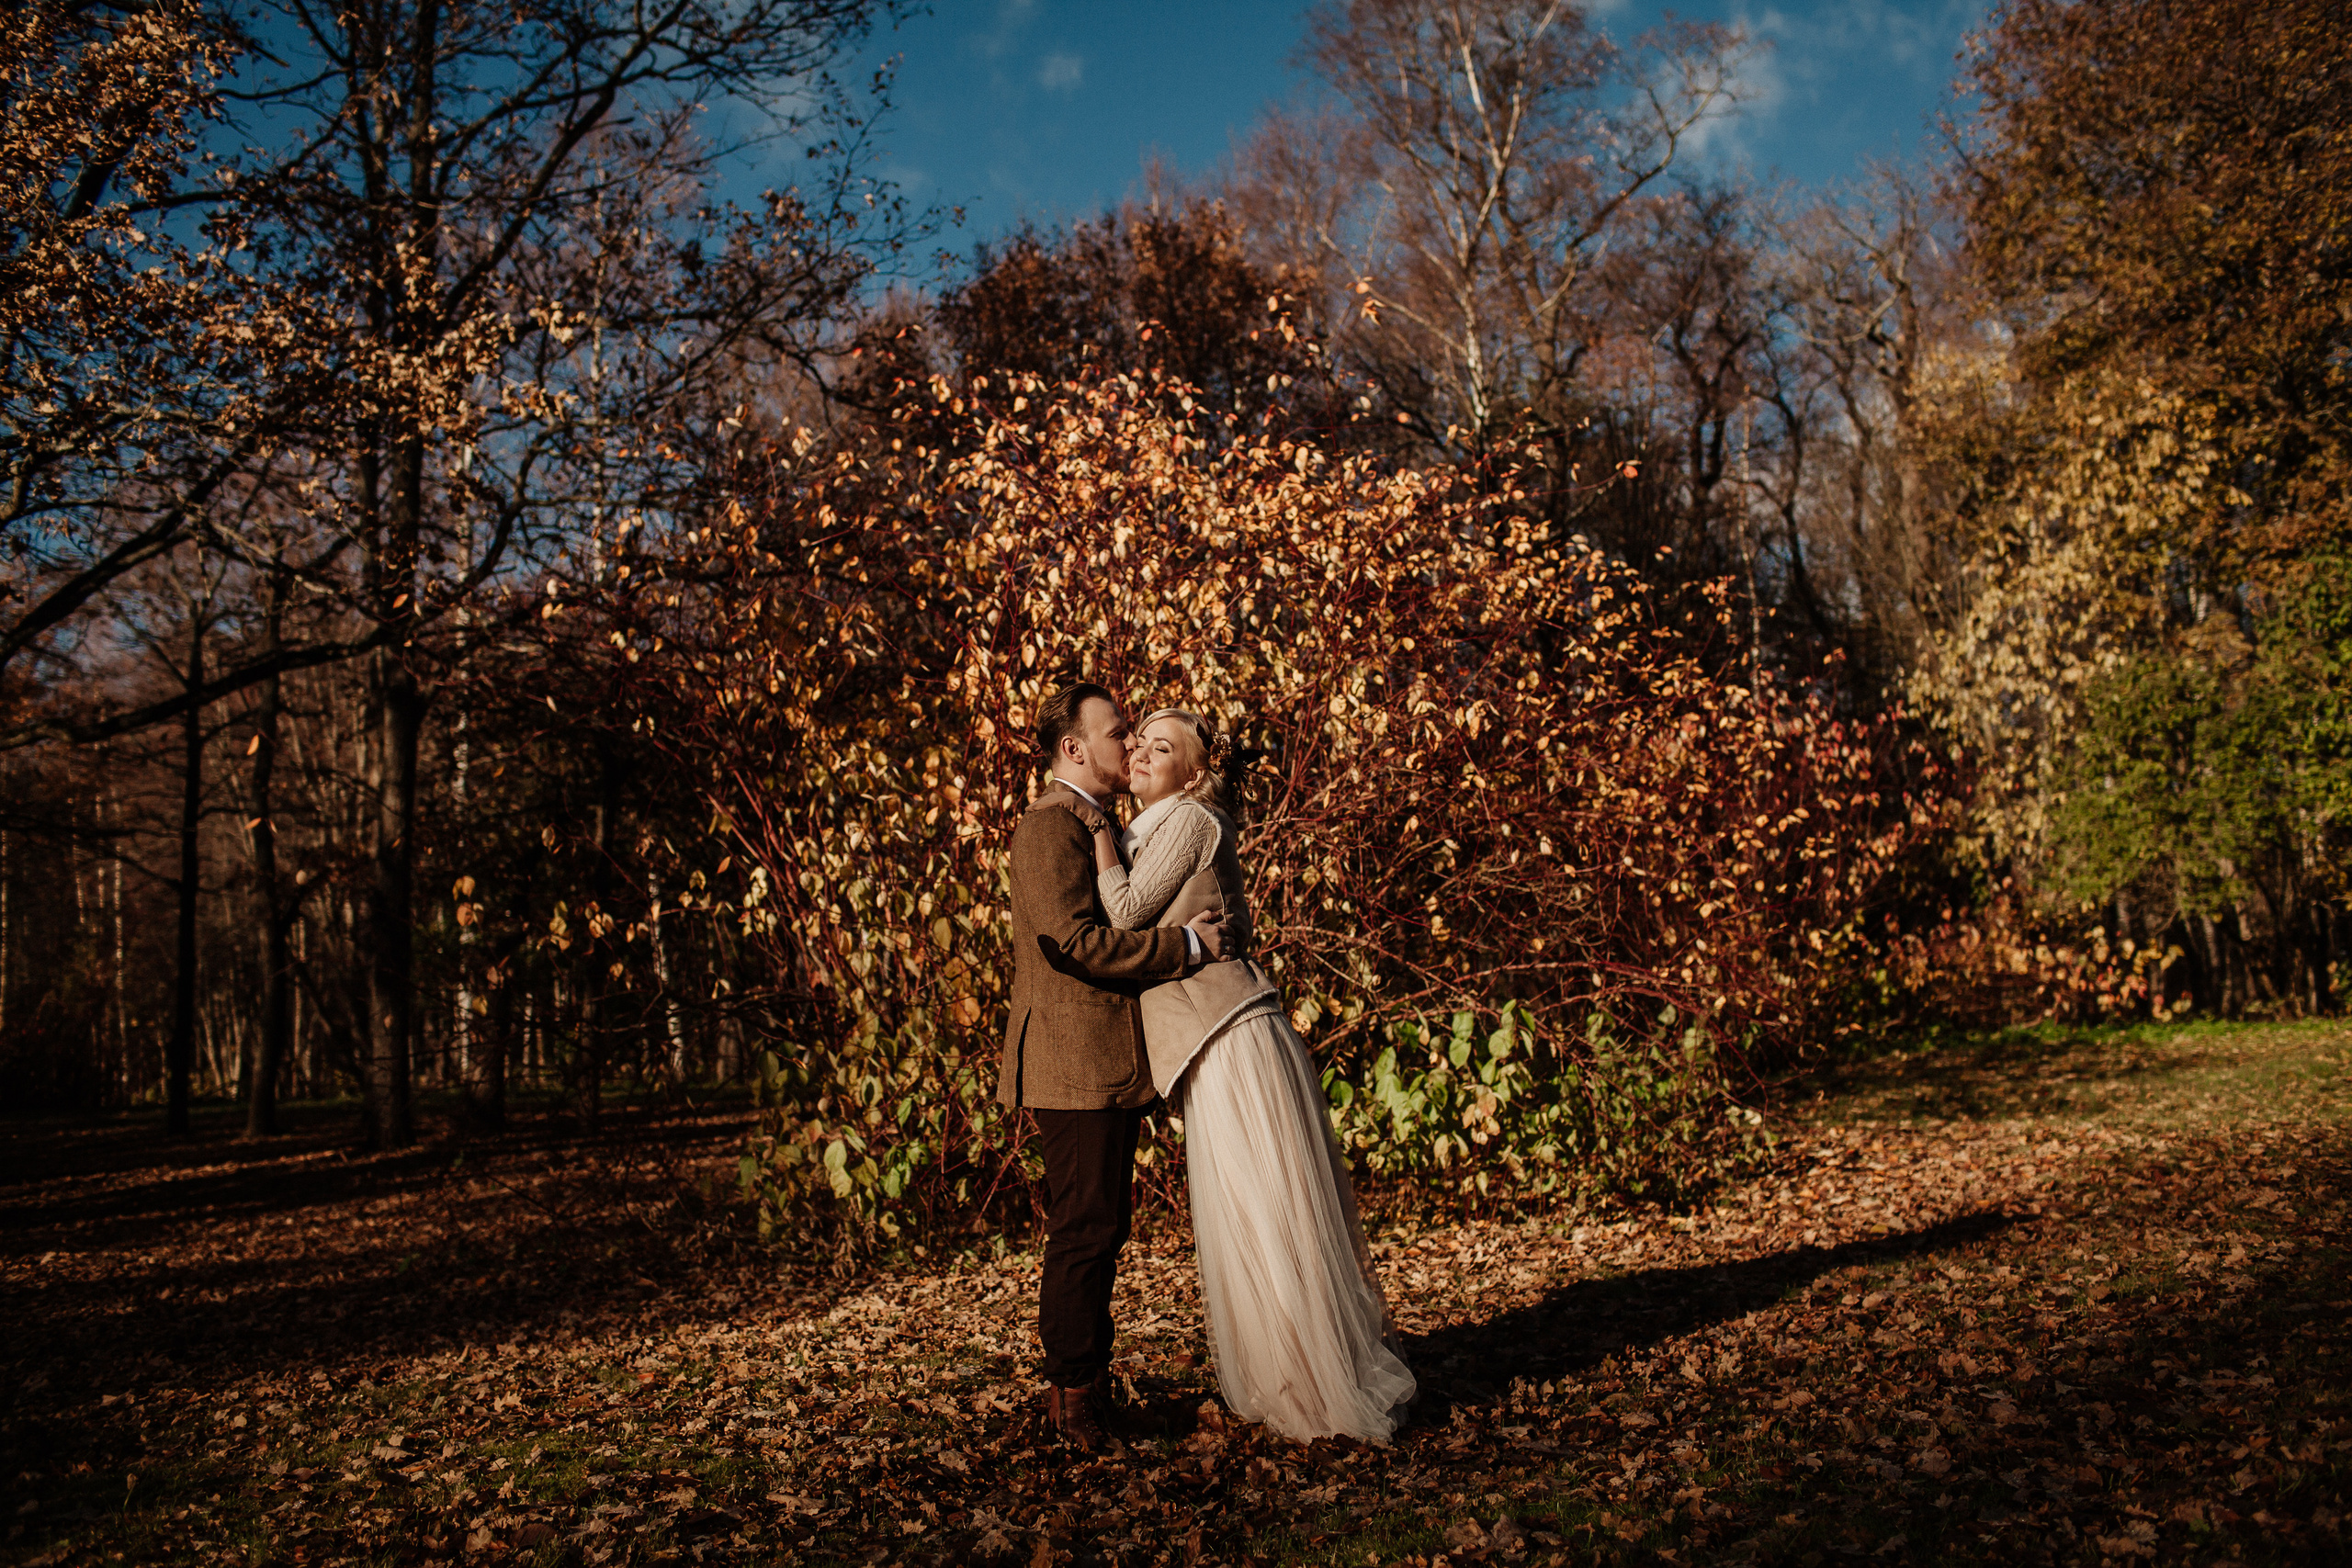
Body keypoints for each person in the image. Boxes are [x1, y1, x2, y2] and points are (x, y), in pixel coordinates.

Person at [1087, 707, 1416, 1445]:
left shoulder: (1192, 818)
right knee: (1246, 1218)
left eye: (1161, 747)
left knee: (1269, 1215)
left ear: (1194, 772)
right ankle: (1289, 1378)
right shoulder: (1156, 827)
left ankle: (1320, 1387)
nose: (1139, 751)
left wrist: (1095, 825)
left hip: (1231, 1037)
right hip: (1207, 1043)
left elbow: (1129, 909)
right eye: (1139, 740)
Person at [998, 682, 1228, 1452]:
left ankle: (1087, 1392)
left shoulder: (1093, 823)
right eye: (1116, 732)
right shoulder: (1047, 827)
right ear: (1073, 748)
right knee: (1085, 1231)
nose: (1128, 744)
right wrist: (1187, 947)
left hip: (1101, 1061)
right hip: (1072, 1063)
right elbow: (1076, 942)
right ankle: (1073, 1405)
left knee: (1101, 1227)